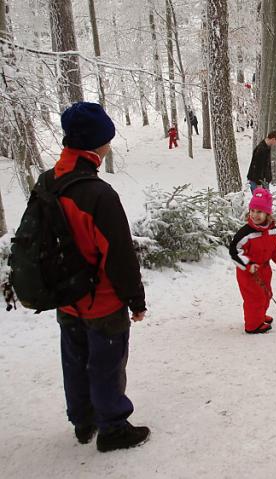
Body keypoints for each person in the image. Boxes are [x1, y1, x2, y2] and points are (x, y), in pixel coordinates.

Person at [52, 102, 149, 452]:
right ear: (96, 144)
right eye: (107, 138)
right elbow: (119, 255)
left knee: (75, 359)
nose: (110, 144)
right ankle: (112, 427)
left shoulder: (51, 181)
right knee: (106, 365)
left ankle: (83, 420)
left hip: (66, 295)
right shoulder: (98, 194)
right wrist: (135, 299)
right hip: (102, 300)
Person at [229, 188, 276, 334]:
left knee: (266, 294)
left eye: (259, 212)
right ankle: (253, 325)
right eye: (252, 211)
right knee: (255, 298)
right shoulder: (246, 233)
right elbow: (235, 251)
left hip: (264, 270)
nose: (255, 215)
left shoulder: (273, 231)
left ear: (267, 214)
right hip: (248, 272)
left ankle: (259, 315)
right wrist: (248, 265)